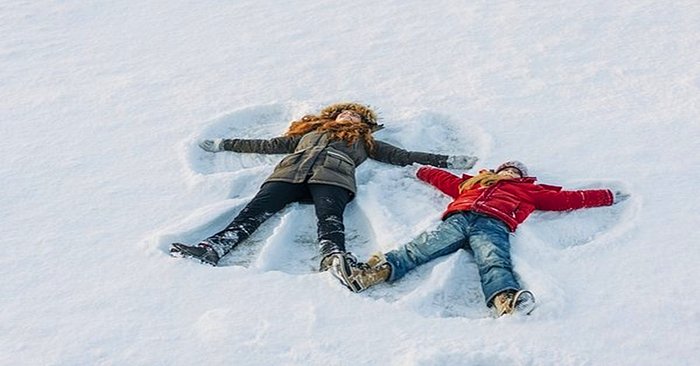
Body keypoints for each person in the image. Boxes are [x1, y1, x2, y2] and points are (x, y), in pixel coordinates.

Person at [170, 102, 478, 288]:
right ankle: (213, 248)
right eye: (345, 113)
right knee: (253, 212)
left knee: (330, 219)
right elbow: (266, 145)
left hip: (334, 177)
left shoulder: (365, 141)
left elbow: (403, 155)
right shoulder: (308, 134)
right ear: (334, 115)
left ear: (363, 123)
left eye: (355, 116)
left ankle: (333, 256)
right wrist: (224, 143)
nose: (349, 116)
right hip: (289, 173)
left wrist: (447, 161)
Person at [339, 161, 629, 316]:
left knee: (494, 261)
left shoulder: (531, 191)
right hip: (459, 218)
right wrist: (422, 170)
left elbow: (567, 199)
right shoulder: (473, 184)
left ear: (522, 177)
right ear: (497, 169)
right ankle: (373, 273)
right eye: (507, 168)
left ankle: (504, 298)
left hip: (493, 225)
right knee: (419, 248)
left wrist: (605, 195)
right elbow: (445, 180)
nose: (510, 172)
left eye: (516, 172)